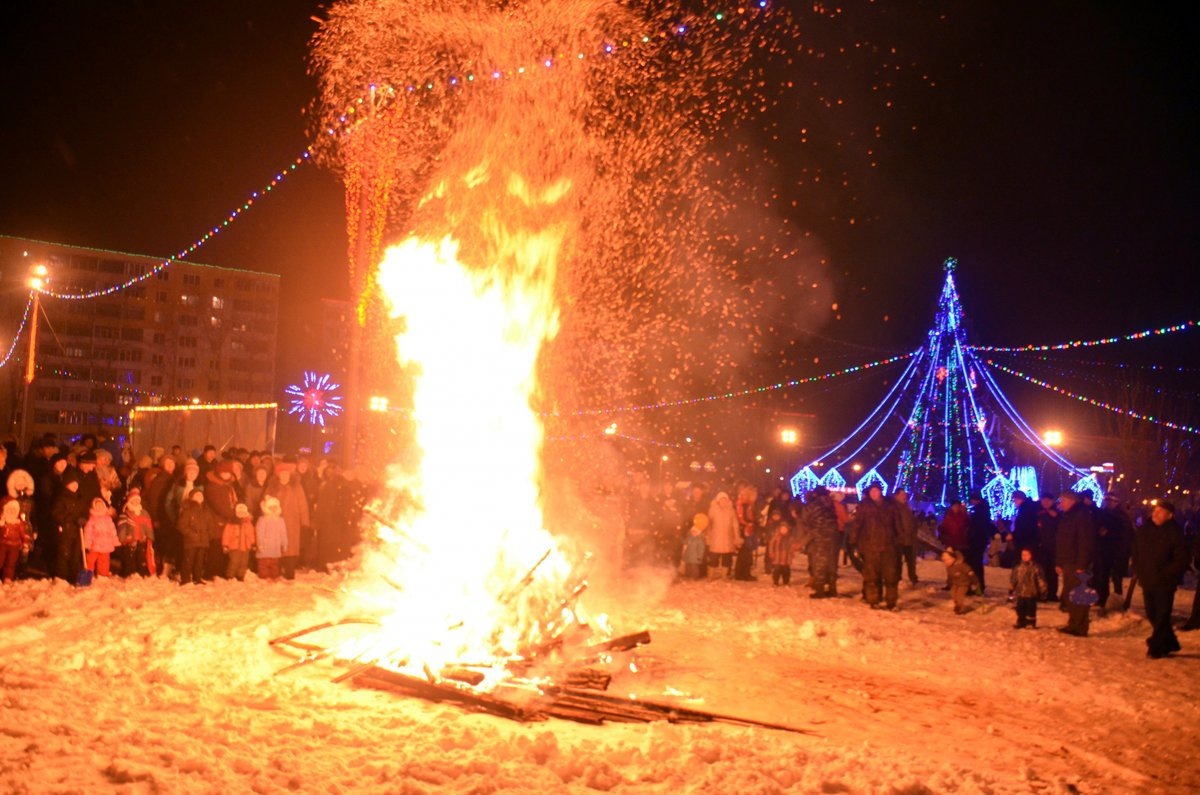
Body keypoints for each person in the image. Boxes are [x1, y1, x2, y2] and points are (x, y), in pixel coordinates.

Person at [1131, 500, 1190, 658]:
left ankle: (1156, 647)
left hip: (1165, 582)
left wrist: (1166, 573)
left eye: (1160, 511)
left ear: (1170, 516)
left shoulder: (1175, 533)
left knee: (1162, 614)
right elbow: (1136, 550)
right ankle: (1170, 642)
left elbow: (1181, 558)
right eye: (1155, 510)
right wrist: (1137, 567)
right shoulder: (1145, 530)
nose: (1155, 514)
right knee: (1152, 613)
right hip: (1147, 578)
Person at [846, 484, 901, 610]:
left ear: (881, 492)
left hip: (888, 546)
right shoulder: (864, 506)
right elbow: (857, 524)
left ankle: (891, 602)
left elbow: (897, 524)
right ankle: (873, 600)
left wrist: (900, 540)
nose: (874, 493)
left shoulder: (890, 506)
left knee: (891, 577)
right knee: (872, 577)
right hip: (870, 547)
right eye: (872, 491)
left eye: (876, 491)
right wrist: (853, 541)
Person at [1055, 491, 1096, 637]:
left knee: (1077, 595)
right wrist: (1059, 562)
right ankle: (1074, 623)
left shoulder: (1081, 516)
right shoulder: (1067, 516)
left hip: (1076, 562)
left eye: (1063, 500)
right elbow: (1061, 541)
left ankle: (1079, 626)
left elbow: (1085, 542)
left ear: (1072, 501)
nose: (1060, 504)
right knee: (1069, 595)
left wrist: (1082, 564)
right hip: (1067, 561)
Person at [266, 464, 310, 580]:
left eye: (287, 473)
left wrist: (305, 522)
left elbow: (303, 505)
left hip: (292, 522)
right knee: (277, 546)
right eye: (282, 473)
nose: (284, 476)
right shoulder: (272, 487)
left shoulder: (297, 487)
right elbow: (265, 503)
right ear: (278, 475)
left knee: (291, 548)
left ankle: (290, 571)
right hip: (276, 521)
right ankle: (277, 570)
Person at [801, 486, 840, 598]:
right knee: (832, 562)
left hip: (819, 536)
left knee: (819, 563)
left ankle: (820, 589)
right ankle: (832, 588)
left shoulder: (812, 505)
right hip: (834, 536)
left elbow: (805, 520)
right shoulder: (831, 504)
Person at [176, 489, 215, 585]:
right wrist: (192, 534)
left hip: (203, 541)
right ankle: (185, 579)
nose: (199, 497)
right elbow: (181, 525)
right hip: (191, 541)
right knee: (188, 560)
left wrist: (209, 534)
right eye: (196, 495)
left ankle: (197, 578)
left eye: (201, 495)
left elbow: (210, 524)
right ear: (192, 498)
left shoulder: (206, 510)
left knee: (199, 561)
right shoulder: (188, 509)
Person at [115, 489, 155, 578]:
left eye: (137, 500)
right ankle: (129, 573)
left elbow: (148, 526)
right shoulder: (125, 514)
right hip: (130, 540)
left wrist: (150, 536)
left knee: (141, 557)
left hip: (142, 539)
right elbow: (122, 528)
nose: (136, 502)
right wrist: (122, 538)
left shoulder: (144, 513)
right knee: (130, 558)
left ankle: (141, 572)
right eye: (134, 501)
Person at [1010, 547, 1049, 629]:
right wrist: (1011, 587)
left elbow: (1040, 579)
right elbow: (1014, 578)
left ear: (1031, 556)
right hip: (1020, 592)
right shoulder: (1018, 567)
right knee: (1020, 608)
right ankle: (1021, 621)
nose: (1024, 557)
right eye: (1023, 555)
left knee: (1030, 609)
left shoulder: (1036, 568)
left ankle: (1030, 622)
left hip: (1031, 593)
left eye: (1027, 555)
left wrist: (1043, 590)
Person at [82, 497, 119, 577]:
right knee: (90, 560)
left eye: (101, 505)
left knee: (104, 561)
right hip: (95, 544)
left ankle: (103, 574)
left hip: (106, 544)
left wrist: (115, 540)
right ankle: (88, 574)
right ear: (94, 507)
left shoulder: (108, 518)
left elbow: (113, 530)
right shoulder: (92, 519)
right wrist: (87, 543)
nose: (100, 507)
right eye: (97, 506)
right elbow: (88, 532)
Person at [705, 491, 738, 579]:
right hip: (716, 539)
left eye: (725, 500)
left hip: (728, 539)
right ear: (718, 501)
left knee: (726, 559)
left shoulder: (731, 510)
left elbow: (735, 524)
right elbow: (709, 524)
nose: (723, 502)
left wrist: (737, 537)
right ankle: (711, 576)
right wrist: (708, 536)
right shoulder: (713, 510)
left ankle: (724, 576)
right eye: (721, 500)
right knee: (713, 559)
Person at [255, 496, 287, 581]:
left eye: (275, 507)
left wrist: (284, 544)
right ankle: (264, 578)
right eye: (271, 507)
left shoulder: (280, 520)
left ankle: (274, 577)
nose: (273, 509)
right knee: (263, 564)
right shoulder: (262, 520)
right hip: (265, 547)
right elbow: (259, 533)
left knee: (275, 564)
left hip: (275, 547)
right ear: (266, 508)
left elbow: (283, 533)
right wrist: (260, 544)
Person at [1035, 493, 1060, 602]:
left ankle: (1052, 593)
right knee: (1041, 571)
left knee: (1052, 572)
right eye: (1043, 500)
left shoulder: (1057, 514)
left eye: (1048, 501)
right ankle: (1042, 592)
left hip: (1053, 547)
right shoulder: (1038, 513)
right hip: (1041, 546)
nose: (1045, 503)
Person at [222, 503, 256, 582]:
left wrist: (253, 543)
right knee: (234, 561)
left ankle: (240, 575)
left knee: (244, 562)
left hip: (245, 546)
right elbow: (226, 534)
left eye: (243, 513)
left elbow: (251, 534)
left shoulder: (248, 523)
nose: (241, 514)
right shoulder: (231, 524)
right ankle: (230, 575)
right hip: (234, 546)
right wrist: (225, 545)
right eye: (239, 512)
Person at [1, 496, 32, 582]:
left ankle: (8, 577)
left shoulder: (18, 523)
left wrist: (25, 543)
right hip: (2, 544)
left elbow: (24, 534)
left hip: (14, 546)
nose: (12, 512)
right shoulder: (2, 521)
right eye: (10, 509)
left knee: (11, 563)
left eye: (14, 510)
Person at [965, 491, 991, 594]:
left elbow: (977, 526)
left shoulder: (979, 511)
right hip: (980, 540)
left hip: (977, 541)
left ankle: (977, 586)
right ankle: (979, 586)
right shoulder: (983, 509)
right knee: (976, 564)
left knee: (975, 564)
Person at [941, 547, 980, 615]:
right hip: (956, 583)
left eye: (948, 560)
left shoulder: (961, 565)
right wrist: (949, 583)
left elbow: (970, 573)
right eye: (944, 560)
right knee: (953, 593)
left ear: (953, 558)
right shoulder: (949, 567)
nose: (946, 562)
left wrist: (975, 582)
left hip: (964, 583)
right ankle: (958, 604)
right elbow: (950, 576)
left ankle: (960, 608)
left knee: (960, 595)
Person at [893, 489, 919, 586]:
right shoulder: (894, 507)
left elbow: (910, 521)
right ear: (896, 496)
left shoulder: (907, 506)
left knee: (911, 560)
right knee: (897, 561)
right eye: (902, 494)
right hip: (899, 539)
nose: (904, 496)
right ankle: (897, 578)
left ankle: (913, 577)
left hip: (909, 539)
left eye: (905, 494)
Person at [766, 511, 795, 586]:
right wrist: (771, 552)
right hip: (777, 556)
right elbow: (771, 544)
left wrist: (792, 554)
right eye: (782, 529)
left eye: (785, 529)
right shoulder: (776, 537)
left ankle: (786, 582)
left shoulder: (790, 538)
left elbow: (792, 546)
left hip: (786, 556)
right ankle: (775, 581)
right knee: (777, 570)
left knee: (786, 570)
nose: (783, 530)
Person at [680, 513, 708, 580]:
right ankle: (687, 576)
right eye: (692, 531)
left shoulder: (699, 541)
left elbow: (701, 549)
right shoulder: (688, 539)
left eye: (695, 532)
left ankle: (694, 577)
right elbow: (684, 543)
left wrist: (699, 556)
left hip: (695, 558)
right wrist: (680, 539)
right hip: (688, 556)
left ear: (698, 533)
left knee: (694, 567)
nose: (693, 533)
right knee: (688, 566)